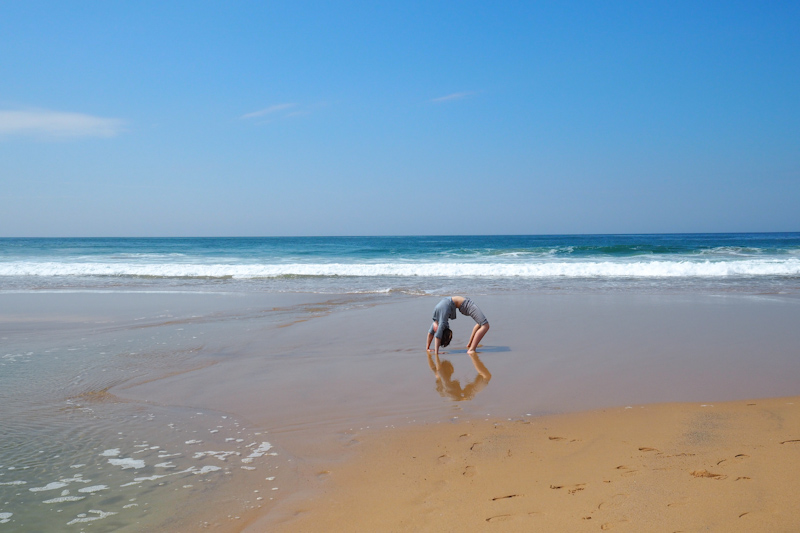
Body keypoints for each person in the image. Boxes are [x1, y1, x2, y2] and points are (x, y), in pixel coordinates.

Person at [425, 296, 490, 355]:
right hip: (466, 304)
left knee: (480, 323)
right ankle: (472, 349)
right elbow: (437, 336)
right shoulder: (442, 321)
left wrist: (428, 348)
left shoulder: (437, 320)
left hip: (460, 304)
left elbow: (431, 332)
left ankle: (470, 345)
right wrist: (436, 353)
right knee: (485, 325)